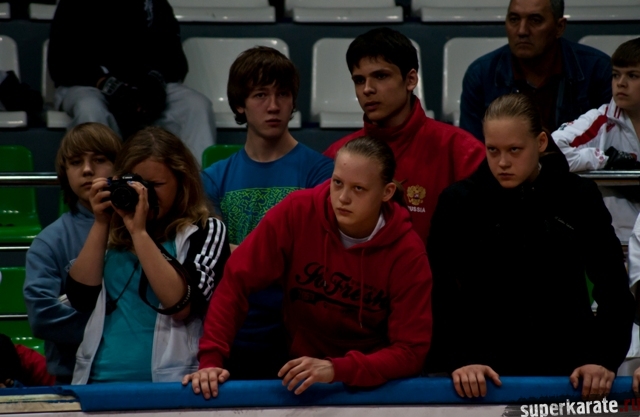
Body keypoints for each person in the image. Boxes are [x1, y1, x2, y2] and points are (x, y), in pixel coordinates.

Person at [184, 136, 432, 399]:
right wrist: (210, 360)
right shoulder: (297, 212)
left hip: (374, 383)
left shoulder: (407, 253)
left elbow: (411, 351)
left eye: (359, 189)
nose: (343, 198)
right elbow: (236, 280)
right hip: (298, 370)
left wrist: (337, 369)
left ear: (387, 192)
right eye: (338, 183)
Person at [428, 94, 634, 400]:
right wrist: (460, 359)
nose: (502, 162)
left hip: (570, 373)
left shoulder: (578, 197)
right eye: (493, 150)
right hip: (482, 374)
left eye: (514, 150)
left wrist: (602, 358)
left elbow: (613, 286)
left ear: (540, 142)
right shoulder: (458, 203)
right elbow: (440, 291)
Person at [201, 46, 333, 380]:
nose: (274, 106)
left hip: (300, 336)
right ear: (239, 104)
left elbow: (314, 258)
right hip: (233, 330)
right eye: (261, 95)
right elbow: (210, 256)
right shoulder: (213, 178)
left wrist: (239, 254)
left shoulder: (321, 173)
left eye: (283, 94)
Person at [65, 127, 230, 384]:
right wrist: (101, 222)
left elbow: (181, 305)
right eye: (137, 184)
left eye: (155, 185)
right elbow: (81, 299)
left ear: (182, 182)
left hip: (171, 384)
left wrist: (139, 233)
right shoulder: (112, 230)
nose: (145, 194)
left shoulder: (205, 230)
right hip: (97, 381)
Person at [324, 27, 485, 245]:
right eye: (359, 80)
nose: (367, 89)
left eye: (380, 76)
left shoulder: (463, 151)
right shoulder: (336, 156)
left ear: (410, 80)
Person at [48, 0, 216, 161]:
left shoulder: (154, 3)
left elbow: (174, 59)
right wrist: (109, 85)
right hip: (88, 84)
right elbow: (62, 62)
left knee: (196, 106)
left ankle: (200, 180)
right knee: (90, 109)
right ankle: (99, 180)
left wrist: (154, 83)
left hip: (141, 87)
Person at [24, 123, 121, 384]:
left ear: (119, 166)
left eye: (99, 160)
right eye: (76, 162)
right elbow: (43, 317)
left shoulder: (143, 227)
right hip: (72, 376)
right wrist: (117, 322)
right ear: (65, 172)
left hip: (139, 371)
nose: (87, 170)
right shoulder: (49, 242)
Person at [459, 0, 612, 142]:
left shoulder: (597, 70)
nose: (522, 31)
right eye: (514, 19)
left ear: (559, 27)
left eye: (535, 20)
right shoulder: (481, 75)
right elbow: (473, 151)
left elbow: (611, 144)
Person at [552, 37, 640, 243]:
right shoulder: (599, 120)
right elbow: (550, 152)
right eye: (616, 75)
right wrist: (601, 159)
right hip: (615, 244)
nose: (621, 83)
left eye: (632, 75)